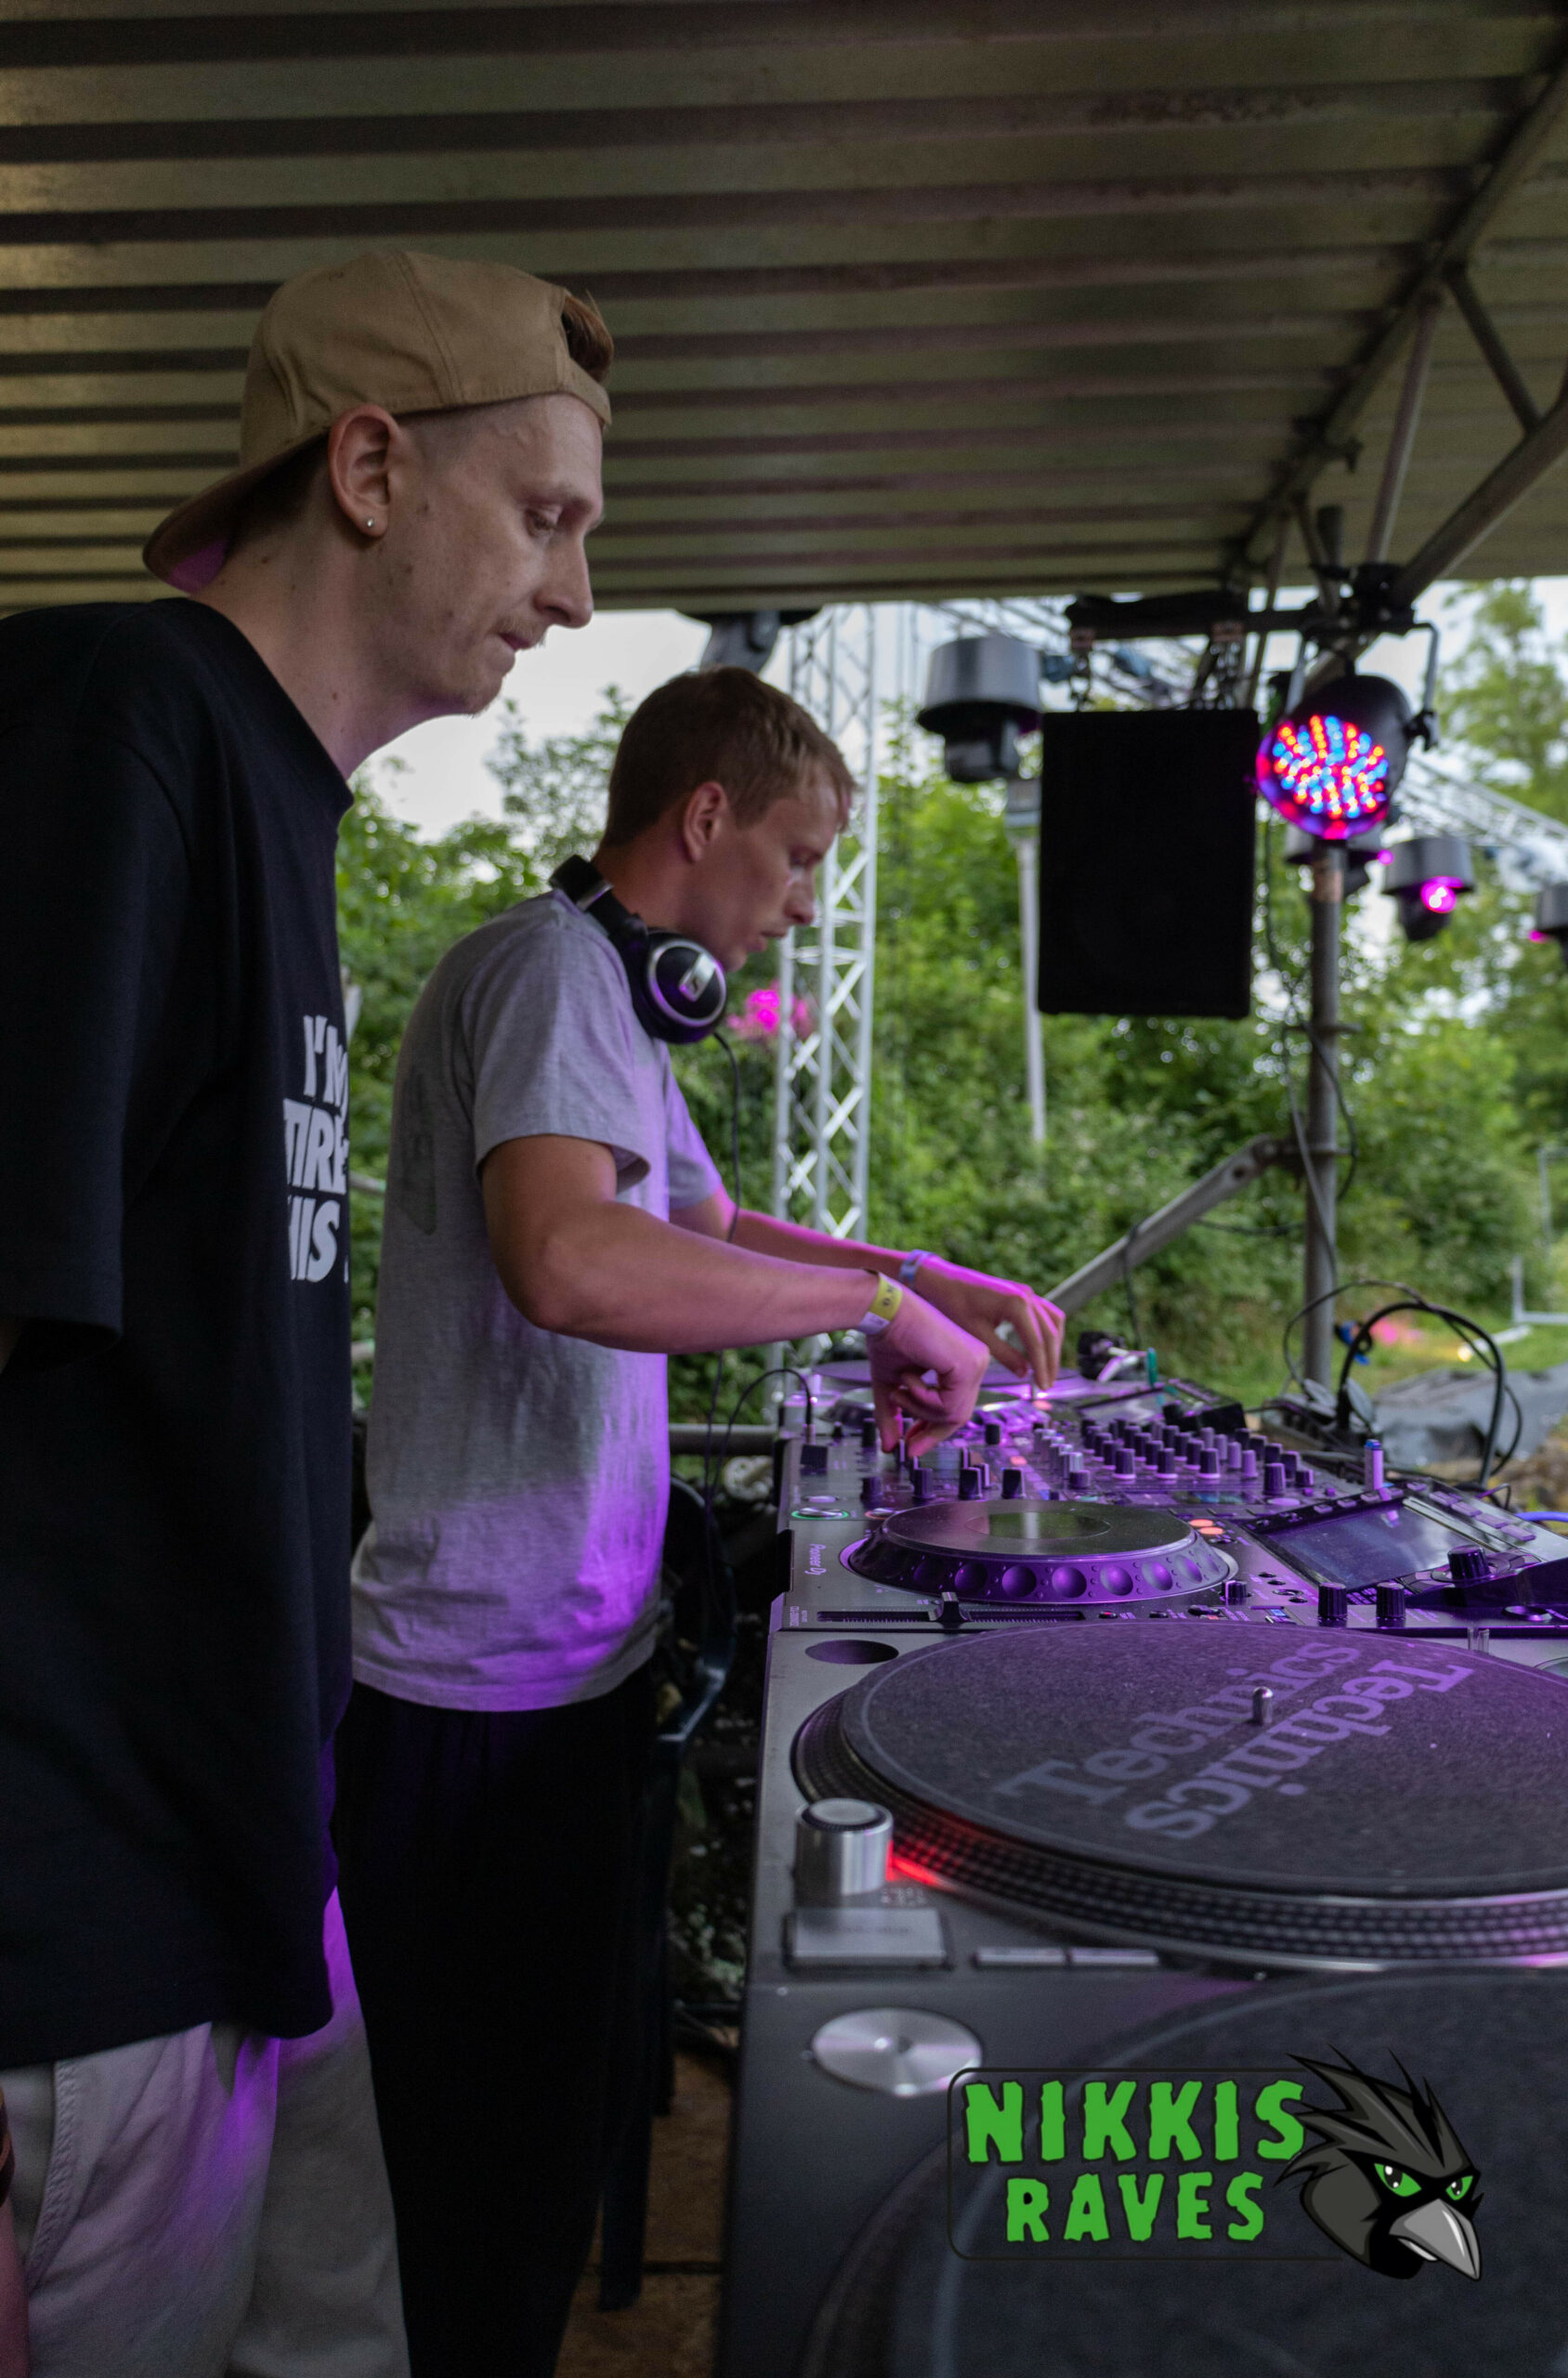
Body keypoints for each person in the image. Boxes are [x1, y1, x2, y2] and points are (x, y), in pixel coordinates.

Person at [0, 248, 609, 2378]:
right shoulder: (112, 724)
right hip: (73, 1942)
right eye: (544, 517)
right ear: (367, 469)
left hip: (251, 1886)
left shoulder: (267, 797)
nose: (571, 595)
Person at [336, 663, 1068, 2377]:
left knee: (540, 2144)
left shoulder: (595, 990)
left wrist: (919, 1273)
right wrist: (876, 1315)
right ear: (707, 815)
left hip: (557, 1670)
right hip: (474, 1689)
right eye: (798, 859)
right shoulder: (547, 974)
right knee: (474, 2189)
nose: (803, 906)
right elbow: (572, 1258)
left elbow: (710, 1227)